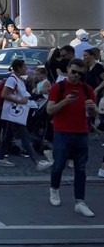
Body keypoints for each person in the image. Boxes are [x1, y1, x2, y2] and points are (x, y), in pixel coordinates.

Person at [47, 59, 97, 217]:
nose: (76, 75)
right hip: (62, 132)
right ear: (68, 70)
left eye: (80, 73)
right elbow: (50, 109)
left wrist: (93, 109)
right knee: (59, 165)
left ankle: (80, 201)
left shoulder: (87, 89)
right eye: (73, 71)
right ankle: (54, 189)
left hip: (82, 132)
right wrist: (66, 101)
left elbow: (94, 114)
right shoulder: (59, 87)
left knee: (81, 169)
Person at [0, 59, 52, 169]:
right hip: (15, 112)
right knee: (24, 136)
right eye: (24, 67)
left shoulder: (17, 79)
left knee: (8, 136)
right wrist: (20, 100)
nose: (26, 69)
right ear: (19, 68)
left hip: (15, 112)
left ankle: (0, 158)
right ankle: (37, 161)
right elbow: (4, 94)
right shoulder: (12, 79)